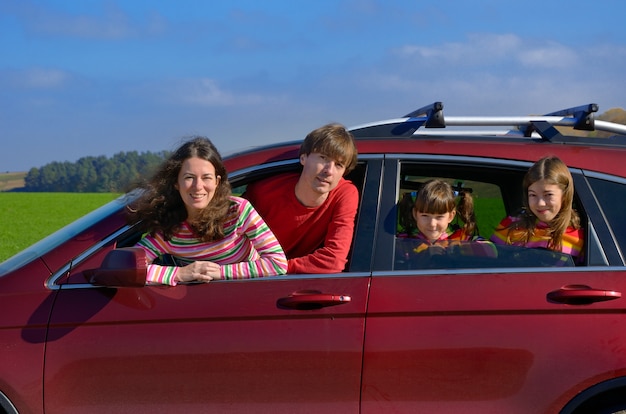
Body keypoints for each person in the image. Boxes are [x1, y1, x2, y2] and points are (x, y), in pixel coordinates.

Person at [127, 136, 287, 285]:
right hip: (198, 305)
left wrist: (218, 272)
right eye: (189, 177)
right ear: (176, 183)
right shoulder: (168, 227)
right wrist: (180, 274)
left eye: (206, 178)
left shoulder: (238, 211)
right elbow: (131, 268)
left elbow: (277, 263)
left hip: (246, 299)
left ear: (217, 182)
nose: (198, 186)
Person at [244, 123, 359, 274]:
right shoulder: (264, 191)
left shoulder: (344, 194)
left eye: (338, 165)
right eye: (323, 158)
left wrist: (274, 268)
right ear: (303, 158)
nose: (329, 171)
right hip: (250, 278)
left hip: (283, 280)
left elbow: (334, 261)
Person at [490, 155, 584, 263]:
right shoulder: (511, 226)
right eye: (533, 195)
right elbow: (490, 258)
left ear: (565, 195)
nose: (540, 203)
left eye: (548, 194)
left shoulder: (579, 237)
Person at [395, 179, 495, 269]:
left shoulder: (462, 238)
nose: (432, 224)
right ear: (415, 214)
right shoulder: (402, 241)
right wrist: (424, 255)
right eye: (425, 216)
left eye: (439, 217)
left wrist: (455, 249)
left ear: (451, 216)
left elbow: (491, 250)